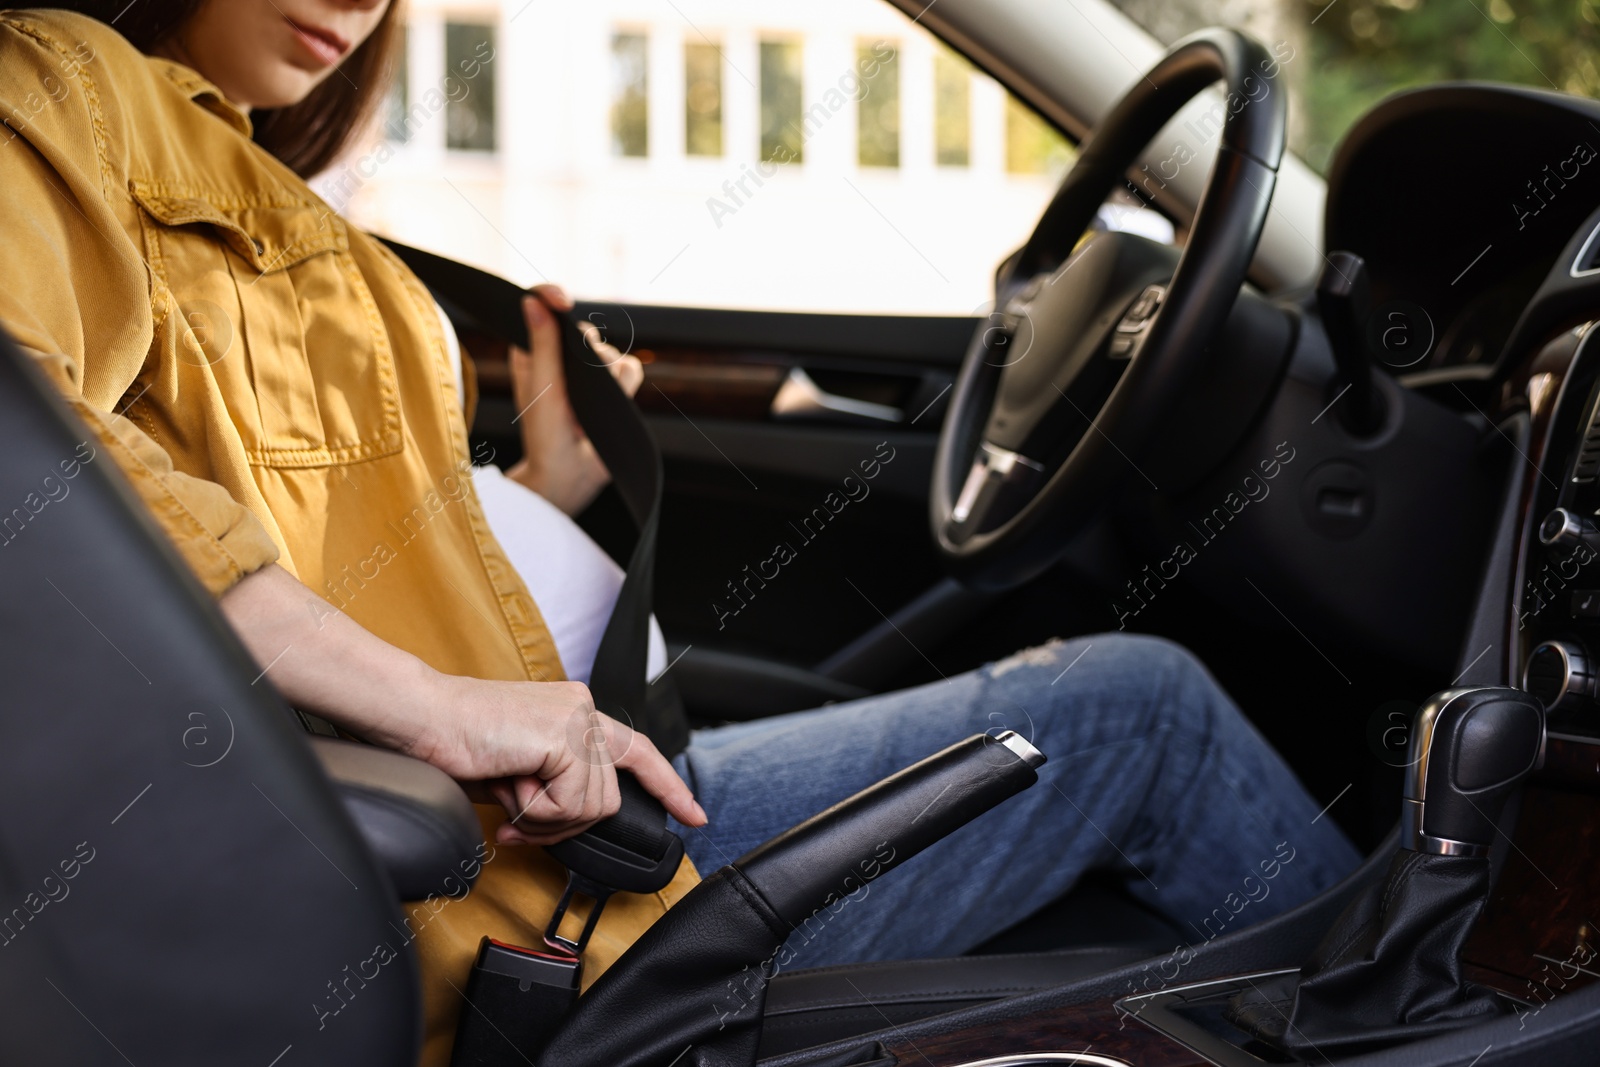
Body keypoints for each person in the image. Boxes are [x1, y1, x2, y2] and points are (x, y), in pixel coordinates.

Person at [0, 3, 1362, 1062]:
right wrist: (432, 707)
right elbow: (37, 467)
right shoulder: (61, 81)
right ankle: (1461, 1021)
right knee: (1143, 716)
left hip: (540, 829)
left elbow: (296, 533)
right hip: (469, 895)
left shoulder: (253, 173)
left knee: (1111, 707)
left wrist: (542, 487)